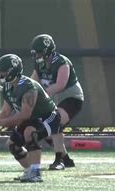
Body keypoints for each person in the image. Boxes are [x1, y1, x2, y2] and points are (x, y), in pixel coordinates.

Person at [0, 54, 60, 182]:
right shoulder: (8, 86)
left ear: (13, 71)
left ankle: (36, 172)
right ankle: (29, 170)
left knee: (30, 132)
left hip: (49, 116)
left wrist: (0, 122)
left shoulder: (28, 86)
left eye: (3, 71)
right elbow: (6, 111)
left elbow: (25, 114)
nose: (0, 74)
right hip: (33, 119)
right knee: (12, 144)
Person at [30, 34, 84, 171]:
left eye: (40, 52)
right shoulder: (39, 64)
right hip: (53, 100)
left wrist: (41, 96)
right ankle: (66, 159)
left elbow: (60, 84)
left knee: (55, 121)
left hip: (71, 98)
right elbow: (33, 83)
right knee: (49, 130)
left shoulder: (61, 62)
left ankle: (59, 160)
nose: (37, 55)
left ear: (48, 50)